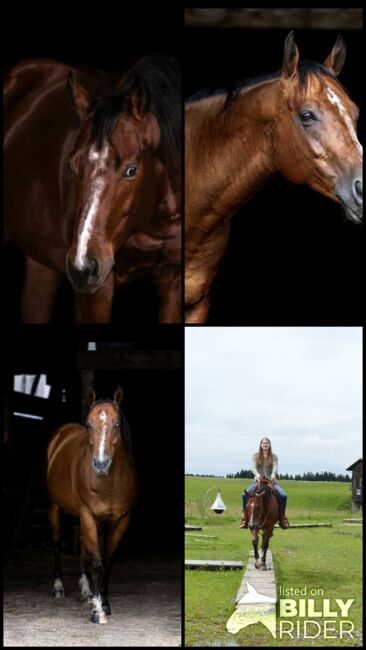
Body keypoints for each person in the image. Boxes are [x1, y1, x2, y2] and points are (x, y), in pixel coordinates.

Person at [239, 437, 289, 529]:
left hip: (270, 481)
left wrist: (274, 474)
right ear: (260, 445)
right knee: (244, 495)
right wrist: (257, 474)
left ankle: (283, 518)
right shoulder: (255, 456)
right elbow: (253, 467)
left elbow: (275, 466)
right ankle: (245, 518)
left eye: (267, 443)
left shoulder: (274, 456)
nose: (265, 444)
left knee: (283, 496)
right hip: (258, 481)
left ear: (269, 445)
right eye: (263, 443)